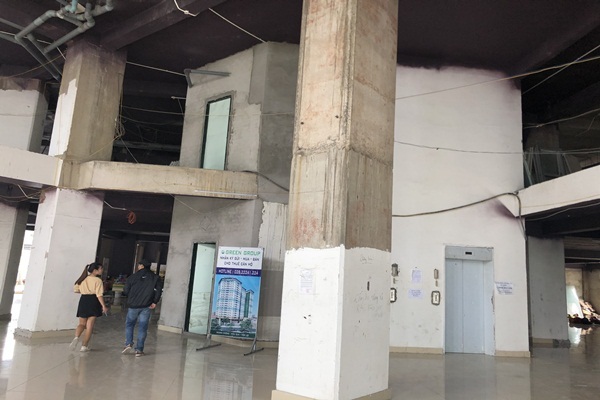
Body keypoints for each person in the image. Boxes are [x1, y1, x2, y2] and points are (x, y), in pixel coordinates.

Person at [122, 259, 163, 357]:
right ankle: (139, 350)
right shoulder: (155, 277)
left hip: (133, 305)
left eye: (139, 265)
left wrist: (131, 296)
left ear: (141, 266)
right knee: (143, 327)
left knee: (129, 325)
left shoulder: (132, 277)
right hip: (146, 306)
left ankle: (128, 343)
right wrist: (155, 301)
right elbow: (158, 291)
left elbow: (126, 290)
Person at [69, 262, 109, 352]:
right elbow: (99, 295)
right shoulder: (98, 280)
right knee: (89, 326)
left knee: (81, 324)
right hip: (93, 301)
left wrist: (85, 291)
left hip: (83, 300)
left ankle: (76, 337)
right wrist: (103, 306)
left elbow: (76, 290)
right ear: (95, 270)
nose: (102, 270)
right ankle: (84, 346)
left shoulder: (82, 278)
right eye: (101, 269)